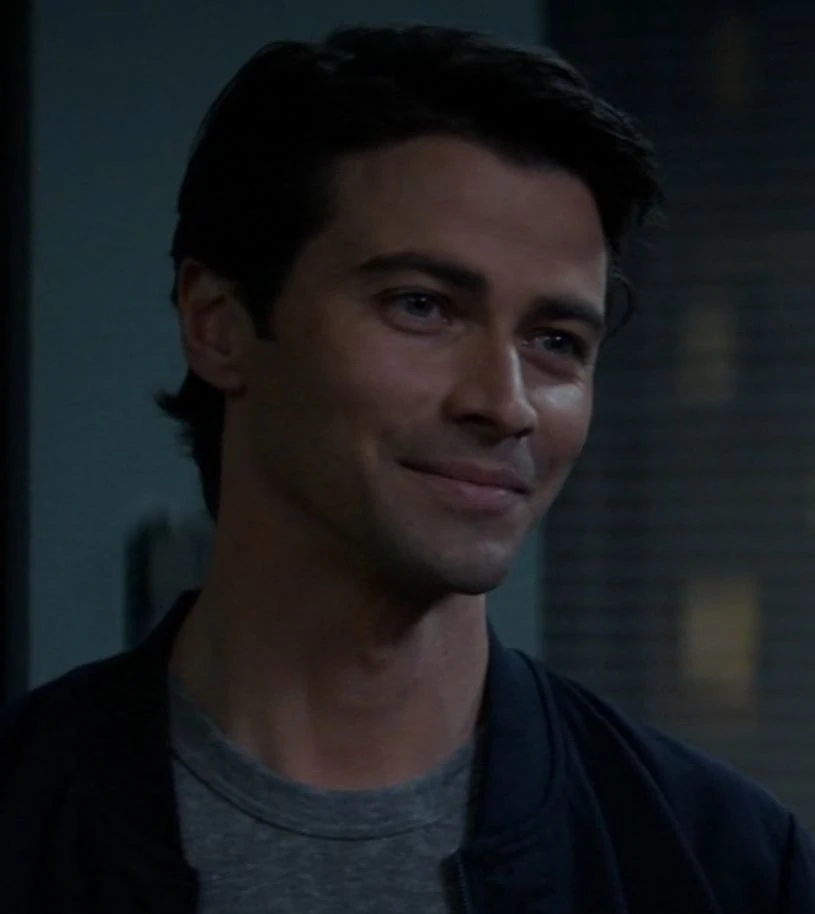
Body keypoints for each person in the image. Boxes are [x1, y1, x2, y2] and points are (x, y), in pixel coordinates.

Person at [1, 23, 813, 914]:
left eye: (554, 341)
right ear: (217, 323)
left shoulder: (721, 864)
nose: (504, 403)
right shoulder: (24, 815)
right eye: (422, 306)